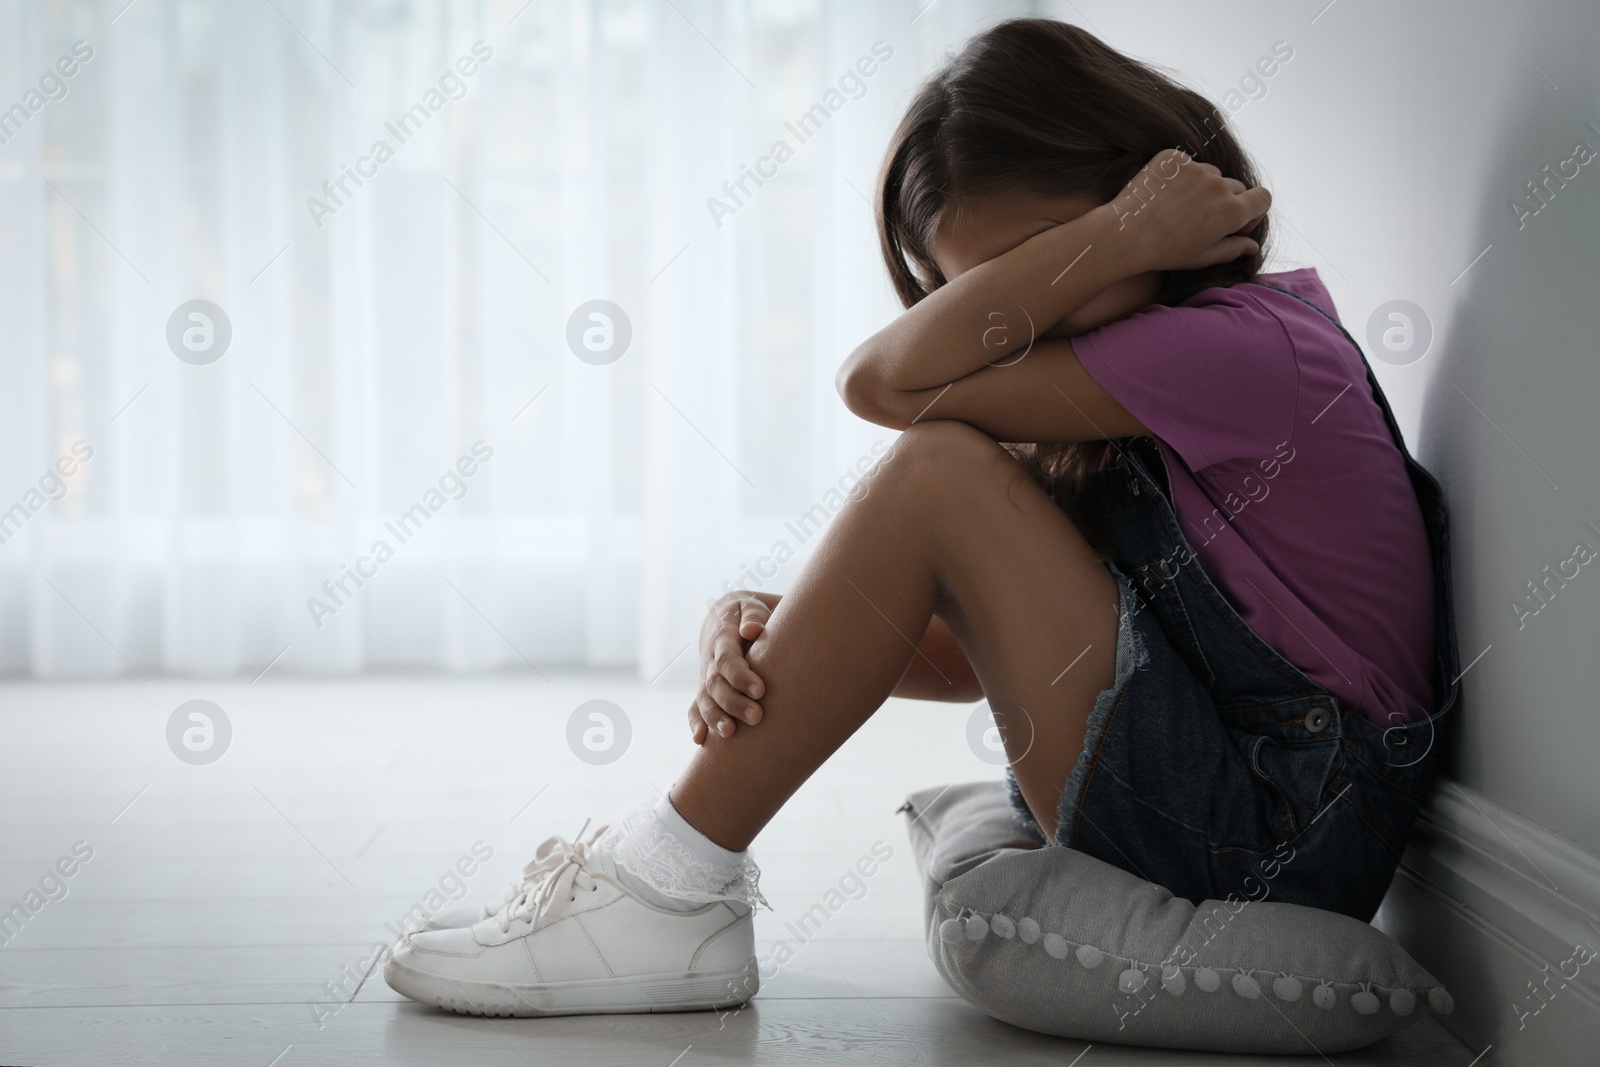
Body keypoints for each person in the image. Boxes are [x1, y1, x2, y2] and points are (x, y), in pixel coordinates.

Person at [385, 17, 1458, 1018]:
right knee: (939, 475)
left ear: (1145, 199)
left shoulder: (1246, 351)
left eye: (1042, 263)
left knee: (935, 466)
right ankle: (667, 885)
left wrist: (1116, 237)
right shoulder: (1136, 390)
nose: (1015, 316)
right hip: (1221, 791)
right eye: (982, 289)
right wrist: (789, 627)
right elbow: (965, 660)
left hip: (1274, 825)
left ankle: (665, 888)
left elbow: (884, 384)